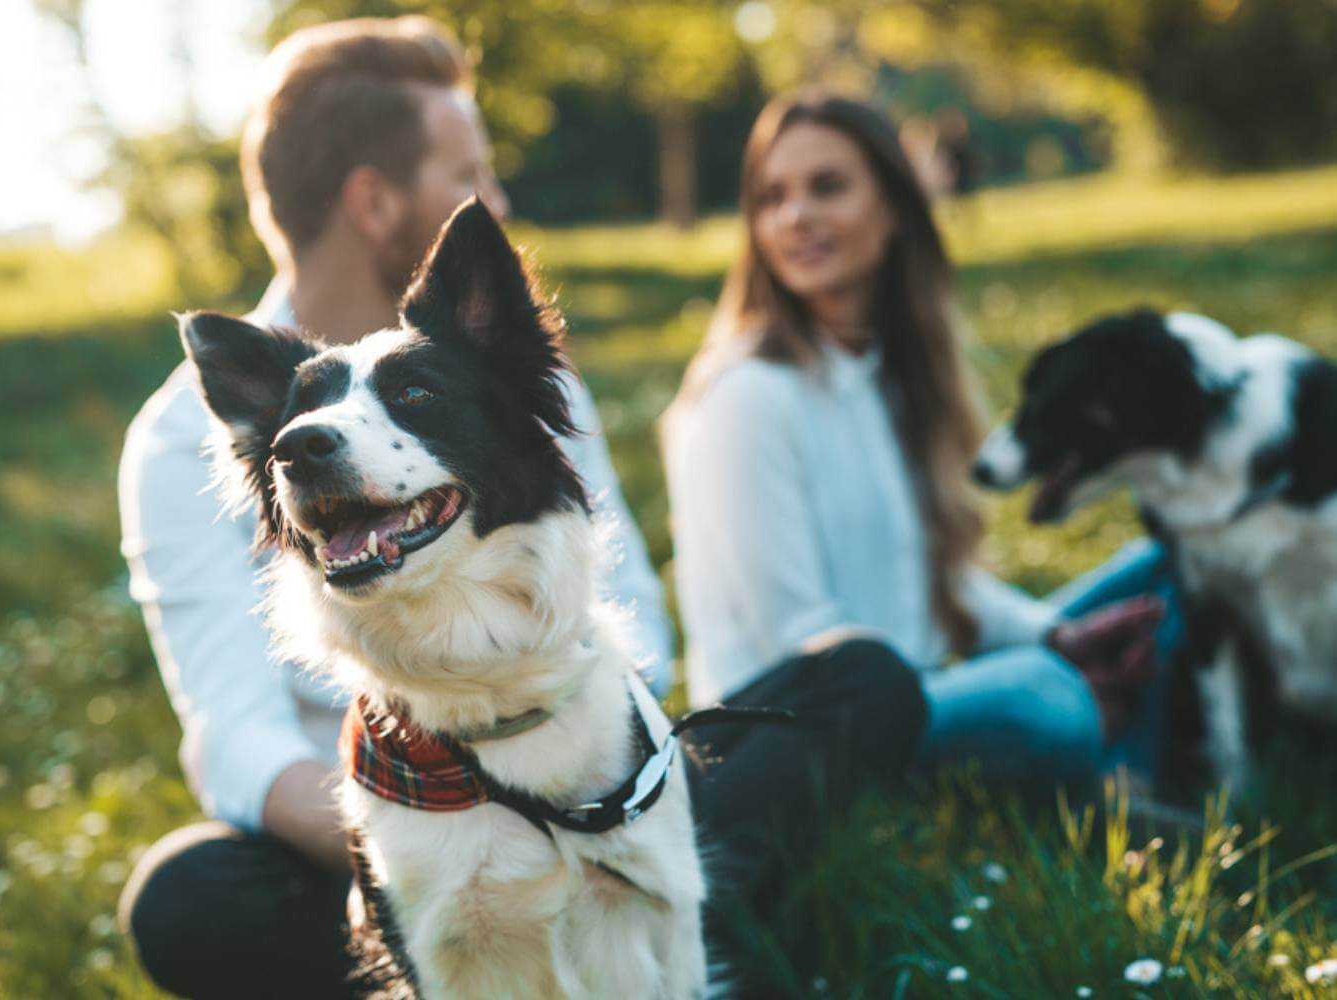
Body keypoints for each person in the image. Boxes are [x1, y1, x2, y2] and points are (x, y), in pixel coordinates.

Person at [115, 18, 673, 996]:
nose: (497, 204)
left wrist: (585, 805)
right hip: (382, 836)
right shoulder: (180, 438)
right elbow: (240, 739)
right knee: (187, 893)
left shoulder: (510, 372)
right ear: (374, 201)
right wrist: (455, 843)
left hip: (598, 778)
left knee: (837, 689)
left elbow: (643, 634)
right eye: (472, 176)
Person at [663, 93, 1182, 851]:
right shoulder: (746, 396)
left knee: (1168, 568)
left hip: (931, 681)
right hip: (826, 724)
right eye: (771, 198)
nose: (795, 217)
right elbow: (801, 650)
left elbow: (937, 581)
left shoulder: (888, 374)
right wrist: (1034, 670)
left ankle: (1134, 786)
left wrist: (1057, 632)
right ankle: (1106, 792)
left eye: (827, 187)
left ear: (894, 209)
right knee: (1044, 700)